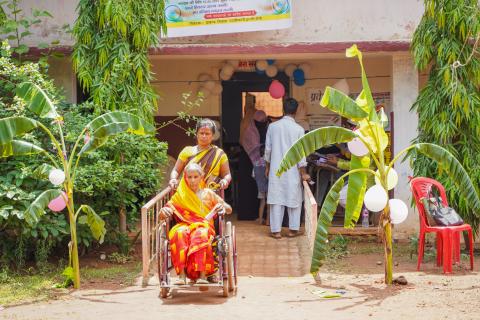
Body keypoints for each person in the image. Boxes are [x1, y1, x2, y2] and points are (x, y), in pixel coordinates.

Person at [159, 163, 232, 285]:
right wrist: (162, 212)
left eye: (195, 176)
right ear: (185, 178)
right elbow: (163, 213)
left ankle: (202, 276)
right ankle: (181, 276)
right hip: (185, 225)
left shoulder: (209, 193)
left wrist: (222, 207)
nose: (192, 180)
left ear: (201, 177)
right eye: (189, 177)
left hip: (204, 226)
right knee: (178, 233)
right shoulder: (180, 195)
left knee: (200, 234)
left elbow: (229, 209)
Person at [264, 97, 310, 239]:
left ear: (283, 109)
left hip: (276, 169)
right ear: (296, 111)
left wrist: (267, 167)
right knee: (294, 198)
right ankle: (293, 230)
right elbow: (301, 154)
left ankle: (276, 231)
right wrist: (303, 172)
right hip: (293, 170)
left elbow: (268, 150)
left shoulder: (272, 127)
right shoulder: (299, 130)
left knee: (276, 199)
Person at [169, 118, 232, 193]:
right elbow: (176, 170)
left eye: (207, 134)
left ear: (212, 136)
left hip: (210, 198)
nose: (204, 136)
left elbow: (227, 174)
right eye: (201, 133)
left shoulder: (220, 154)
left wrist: (225, 180)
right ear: (197, 134)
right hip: (188, 196)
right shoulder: (187, 151)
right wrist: (173, 179)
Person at [240, 109, 270, 225]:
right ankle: (251, 215)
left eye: (264, 120)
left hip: (261, 165)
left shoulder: (266, 129)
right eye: (260, 120)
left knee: (262, 195)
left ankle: (263, 217)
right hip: (249, 163)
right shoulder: (249, 131)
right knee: (252, 191)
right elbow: (250, 146)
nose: (262, 122)